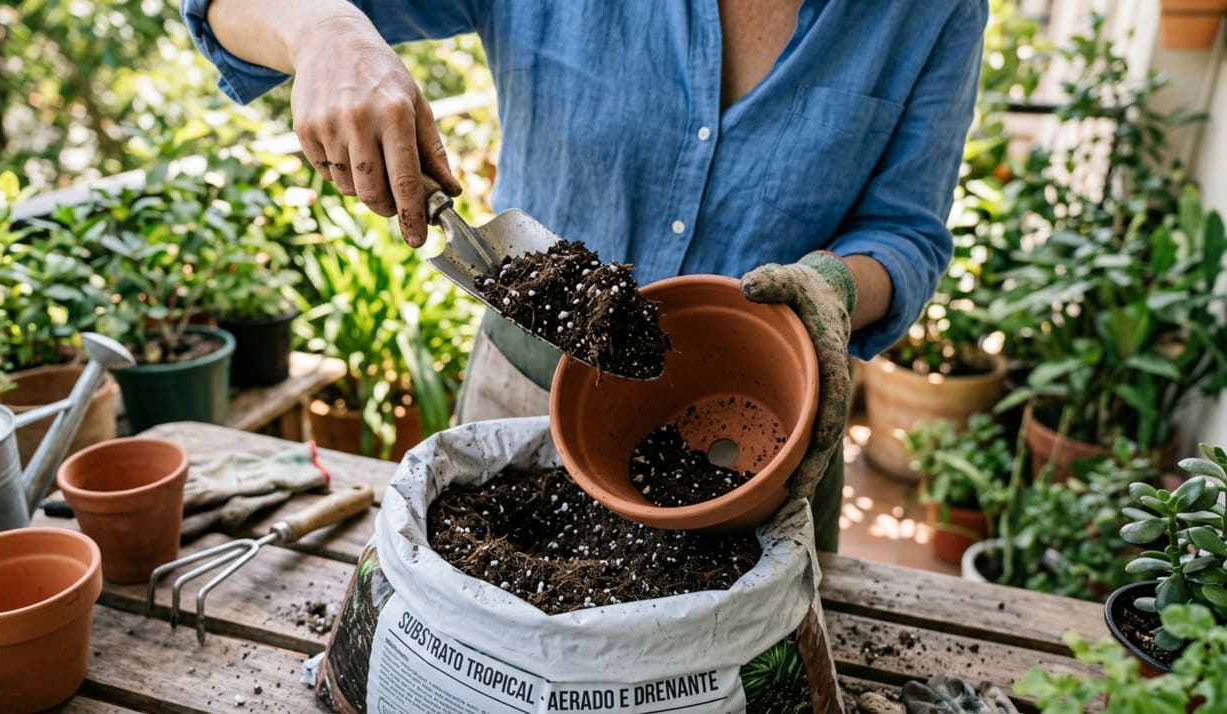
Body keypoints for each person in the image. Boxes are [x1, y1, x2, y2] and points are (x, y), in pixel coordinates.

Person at [181, 0, 986, 551]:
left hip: (765, 445)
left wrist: (834, 289)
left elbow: (906, 231)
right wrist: (327, 32)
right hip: (526, 396)